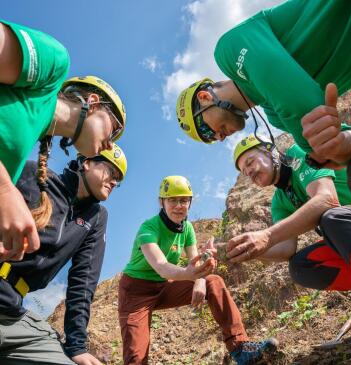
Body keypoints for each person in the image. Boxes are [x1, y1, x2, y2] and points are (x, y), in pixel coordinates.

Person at [175, 0, 351, 167]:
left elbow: (300, 101)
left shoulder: (227, 52)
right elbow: (346, 145)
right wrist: (334, 150)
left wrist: (318, 151)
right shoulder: (276, 117)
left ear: (205, 97)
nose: (219, 137)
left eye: (207, 131)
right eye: (212, 140)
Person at [0, 20, 126, 261]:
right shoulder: (54, 63)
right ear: (94, 102)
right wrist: (4, 190)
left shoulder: (22, 156)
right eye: (114, 130)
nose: (111, 144)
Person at [118, 175, 277, 365]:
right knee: (136, 357)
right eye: (173, 200)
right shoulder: (148, 228)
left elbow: (195, 263)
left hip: (164, 286)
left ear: (190, 202)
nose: (179, 205)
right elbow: (161, 266)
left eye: (184, 200)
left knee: (213, 282)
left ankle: (240, 347)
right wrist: (191, 274)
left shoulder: (187, 229)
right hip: (135, 292)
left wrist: (202, 274)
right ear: (161, 202)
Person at [0, 143, 127, 365]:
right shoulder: (33, 175)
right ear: (87, 163)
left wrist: (76, 346)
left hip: (11, 313)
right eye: (111, 171)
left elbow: (83, 284)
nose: (114, 181)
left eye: (119, 179)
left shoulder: (95, 218)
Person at [227, 134, 351, 292]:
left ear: (270, 151)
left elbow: (327, 200)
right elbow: (286, 249)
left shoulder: (297, 155)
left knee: (332, 218)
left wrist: (267, 236)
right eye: (245, 172)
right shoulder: (279, 202)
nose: (250, 173)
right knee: (300, 266)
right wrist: (248, 250)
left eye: (250, 162)